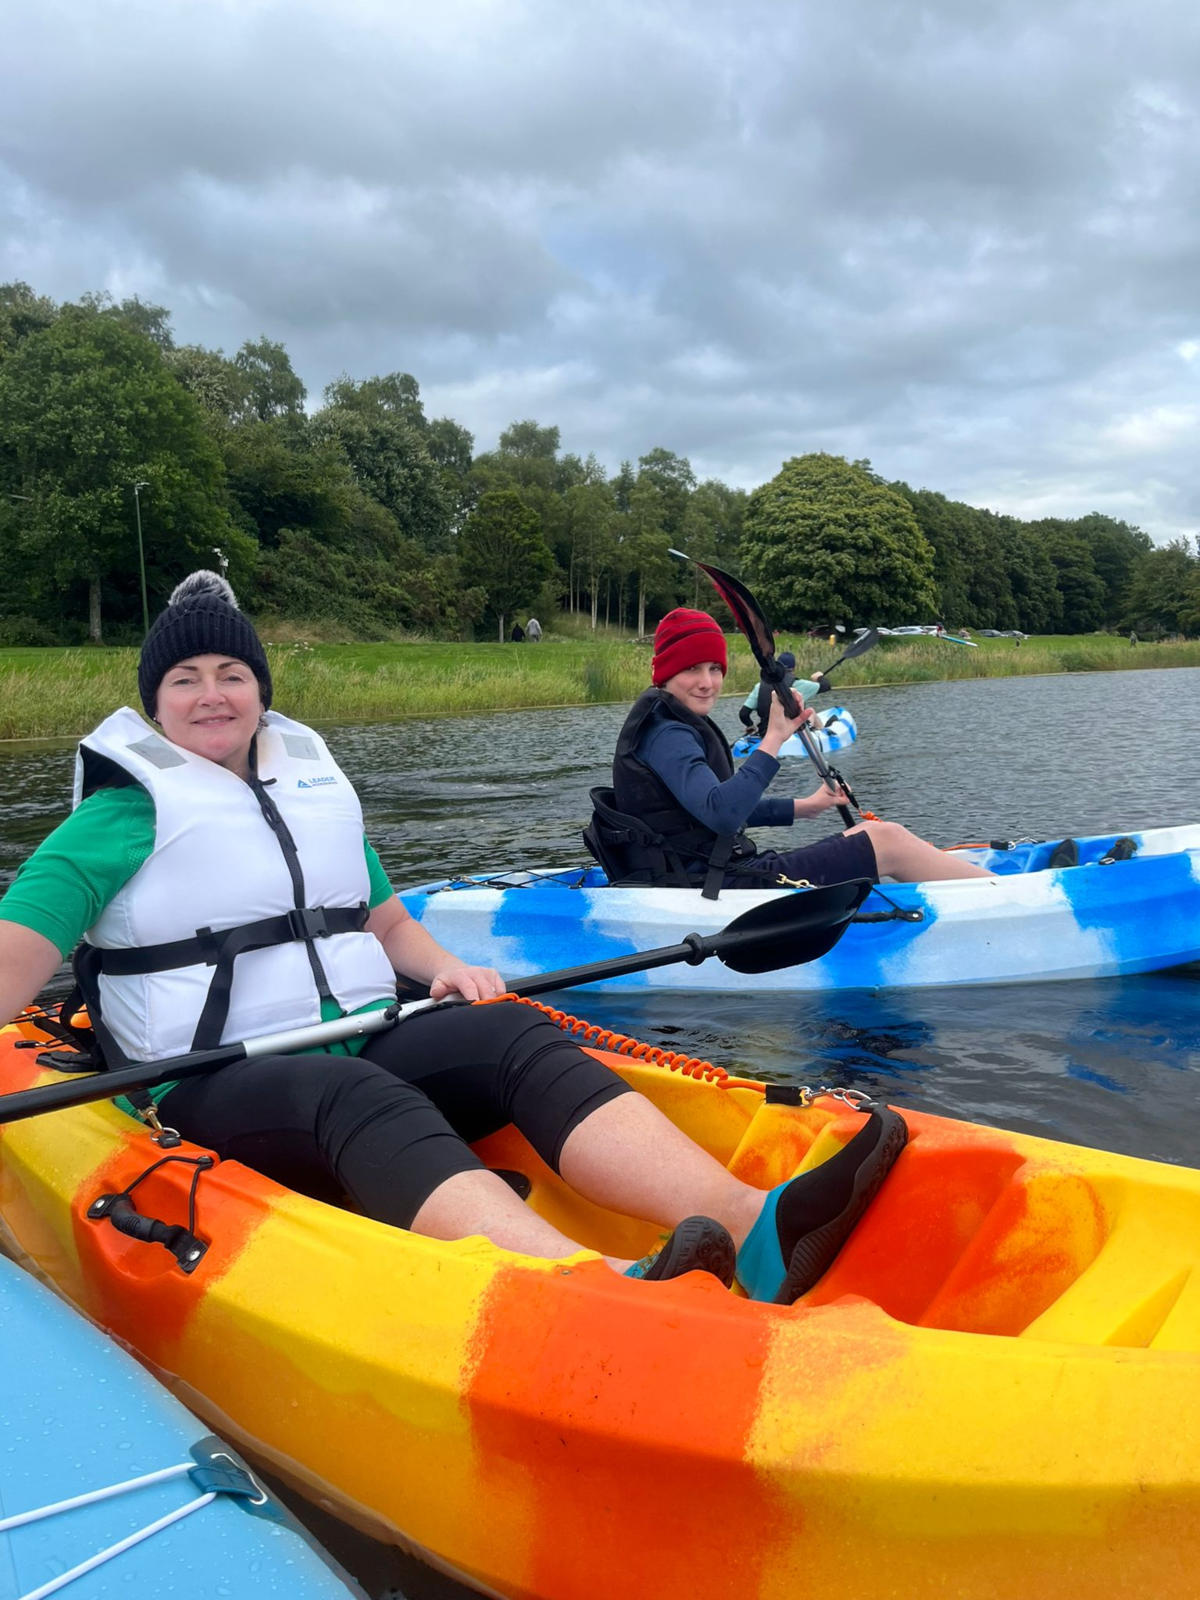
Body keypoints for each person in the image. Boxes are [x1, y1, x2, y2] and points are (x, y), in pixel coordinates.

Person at [0, 572, 903, 1306]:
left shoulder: (307, 794)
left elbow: (385, 922)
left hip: (356, 1033)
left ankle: (753, 1225)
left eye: (231, 674)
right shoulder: (118, 819)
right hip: (209, 1084)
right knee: (353, 1092)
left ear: (261, 692)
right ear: (155, 705)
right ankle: (588, 1286)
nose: (212, 695)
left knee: (506, 1029)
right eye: (185, 679)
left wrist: (449, 969)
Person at [587, 608, 996, 895]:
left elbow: (716, 808)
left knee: (867, 833)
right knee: (885, 838)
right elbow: (723, 814)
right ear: (666, 671)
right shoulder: (668, 734)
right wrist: (774, 738)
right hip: (710, 885)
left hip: (711, 873)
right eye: (692, 669)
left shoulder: (668, 723)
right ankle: (1003, 897)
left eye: (714, 668)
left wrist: (807, 807)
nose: (707, 682)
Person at [737, 651, 825, 740]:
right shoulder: (799, 684)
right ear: (794, 668)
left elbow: (743, 714)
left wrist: (750, 726)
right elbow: (826, 686)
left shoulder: (759, 686)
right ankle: (822, 735)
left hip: (766, 733)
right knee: (811, 712)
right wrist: (819, 677)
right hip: (792, 732)